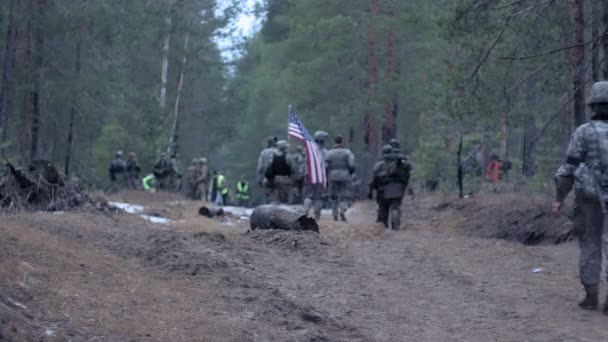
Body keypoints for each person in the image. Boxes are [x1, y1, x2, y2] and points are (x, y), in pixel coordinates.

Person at [553, 81, 608, 314]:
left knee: (590, 244)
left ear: (593, 106)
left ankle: (591, 295)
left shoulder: (583, 132)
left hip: (590, 199)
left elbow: (569, 168)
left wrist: (559, 197)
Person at [369, 144, 412, 230]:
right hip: (397, 189)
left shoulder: (379, 164)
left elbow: (374, 178)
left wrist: (371, 190)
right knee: (395, 207)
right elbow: (408, 171)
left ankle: (383, 227)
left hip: (383, 189)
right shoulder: (400, 163)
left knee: (383, 208)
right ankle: (395, 224)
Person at [326, 135, 356, 221]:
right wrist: (350, 173)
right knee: (345, 195)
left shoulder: (330, 153)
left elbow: (326, 166)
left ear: (334, 142)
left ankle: (335, 214)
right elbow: (352, 165)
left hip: (333, 176)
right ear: (342, 142)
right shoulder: (347, 152)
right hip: (345, 176)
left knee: (334, 196)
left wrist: (328, 174)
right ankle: (342, 210)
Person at [303, 131, 329, 220]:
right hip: (320, 176)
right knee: (318, 196)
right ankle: (317, 214)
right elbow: (327, 164)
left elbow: (303, 163)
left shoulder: (308, 150)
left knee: (308, 195)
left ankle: (306, 210)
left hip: (309, 174)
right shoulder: (324, 152)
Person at [265, 140, 296, 204]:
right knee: (288, 199)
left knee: (275, 198)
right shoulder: (288, 156)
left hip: (274, 179)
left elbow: (267, 168)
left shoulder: (271, 156)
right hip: (286, 180)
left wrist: (267, 179)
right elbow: (293, 168)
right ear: (284, 148)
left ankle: (274, 208)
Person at [257, 136, 277, 203]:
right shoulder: (277, 151)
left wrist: (259, 179)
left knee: (268, 193)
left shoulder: (263, 153)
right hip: (278, 176)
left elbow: (260, 167)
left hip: (266, 176)